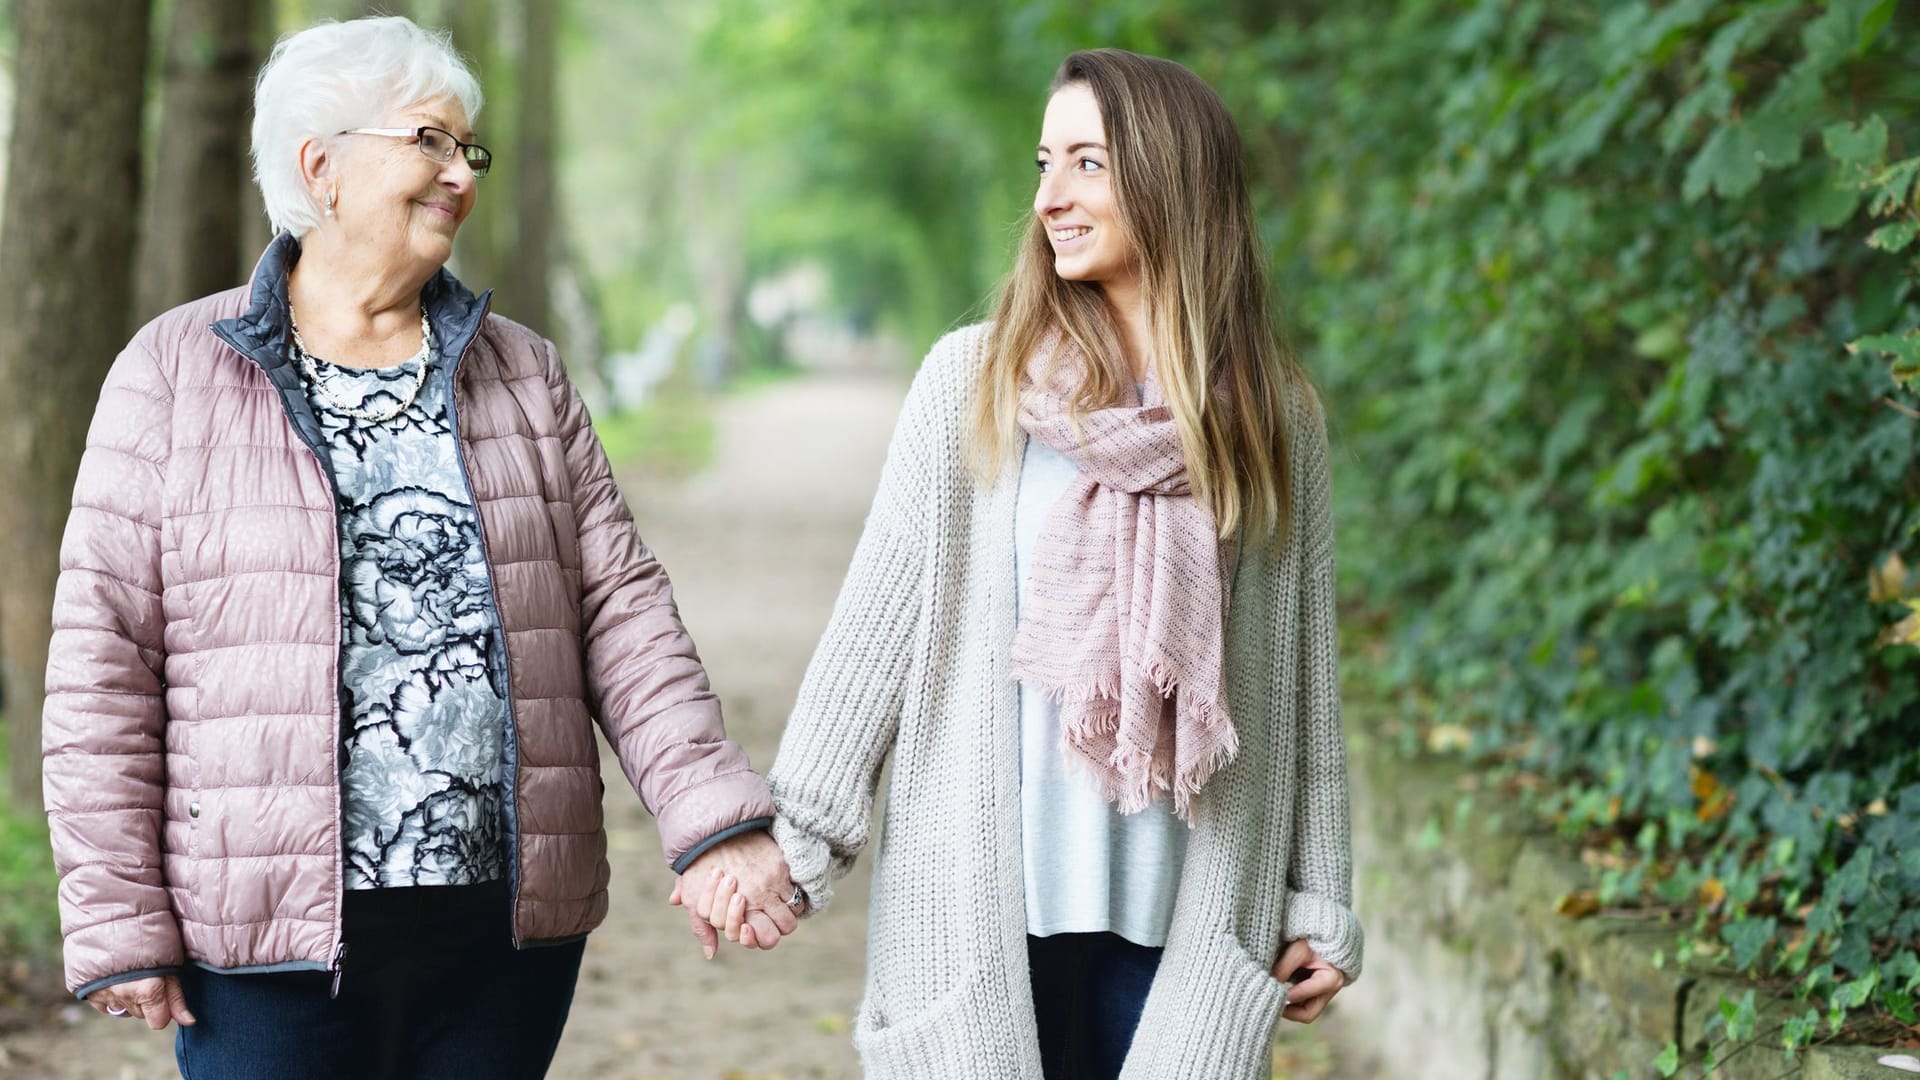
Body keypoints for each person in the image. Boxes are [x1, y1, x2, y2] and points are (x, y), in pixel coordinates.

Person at [42, 16, 797, 1079]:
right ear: (323, 167)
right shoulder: (172, 373)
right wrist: (117, 914)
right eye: (429, 142)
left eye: (468, 150)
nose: (459, 175)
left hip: (502, 928)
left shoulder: (522, 372)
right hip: (263, 936)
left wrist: (715, 821)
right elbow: (101, 663)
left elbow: (620, 612)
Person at [683, 47, 1363, 1079]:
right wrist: (794, 842)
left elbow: (1302, 680)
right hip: (985, 921)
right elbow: (878, 630)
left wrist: (1320, 897)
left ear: (1171, 177)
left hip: (1191, 926)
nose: (1050, 197)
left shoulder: (1272, 417)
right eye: (1045, 163)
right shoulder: (976, 380)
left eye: (1086, 163)